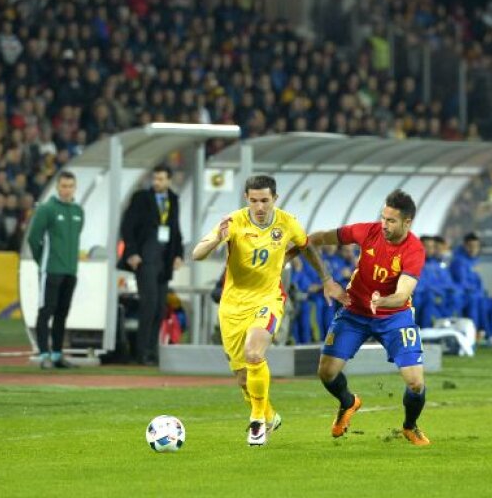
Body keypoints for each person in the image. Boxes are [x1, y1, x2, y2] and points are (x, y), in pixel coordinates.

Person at [192, 174, 337, 446]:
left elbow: (307, 247)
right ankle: (269, 415)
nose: (260, 207)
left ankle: (257, 420)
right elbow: (196, 254)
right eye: (254, 200)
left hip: (268, 299)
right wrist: (215, 240)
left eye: (265, 201)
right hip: (233, 306)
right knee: (243, 378)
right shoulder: (234, 222)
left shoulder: (286, 221)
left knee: (254, 353)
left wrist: (327, 279)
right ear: (247, 199)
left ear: (275, 199)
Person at [306, 189, 431, 446]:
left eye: (391, 220)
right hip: (354, 312)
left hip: (394, 316)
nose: (384, 224)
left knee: (415, 383)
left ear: (407, 222)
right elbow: (316, 239)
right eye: (383, 218)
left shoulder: (414, 250)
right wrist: (320, 269)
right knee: (326, 373)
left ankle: (409, 426)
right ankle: (348, 402)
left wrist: (382, 301)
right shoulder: (366, 231)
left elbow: (403, 293)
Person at [120, 163, 184, 365]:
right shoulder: (141, 198)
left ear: (169, 181)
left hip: (165, 261)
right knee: (148, 306)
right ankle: (141, 353)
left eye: (161, 179)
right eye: (155, 179)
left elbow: (175, 230)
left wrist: (179, 254)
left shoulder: (173, 200)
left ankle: (153, 351)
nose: (157, 182)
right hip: (146, 258)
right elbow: (127, 226)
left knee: (159, 308)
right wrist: (131, 252)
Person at [26, 169, 83, 369]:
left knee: (62, 313)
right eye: (63, 186)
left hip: (70, 271)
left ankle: (57, 354)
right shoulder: (47, 209)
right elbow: (34, 238)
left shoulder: (78, 211)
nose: (66, 190)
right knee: (46, 310)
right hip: (51, 270)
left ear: (75, 187)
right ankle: (43, 354)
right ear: (57, 187)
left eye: (70, 186)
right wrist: (43, 261)